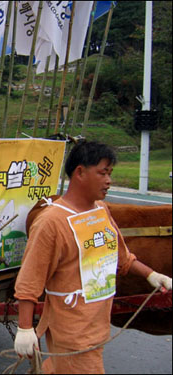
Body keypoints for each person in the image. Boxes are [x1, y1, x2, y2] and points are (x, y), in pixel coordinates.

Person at [13, 141, 172, 374]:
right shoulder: (51, 222)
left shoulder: (100, 210)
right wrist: (25, 328)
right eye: (102, 173)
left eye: (110, 174)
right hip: (71, 330)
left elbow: (121, 257)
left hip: (96, 323)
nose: (109, 180)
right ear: (80, 172)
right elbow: (30, 280)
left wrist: (152, 275)